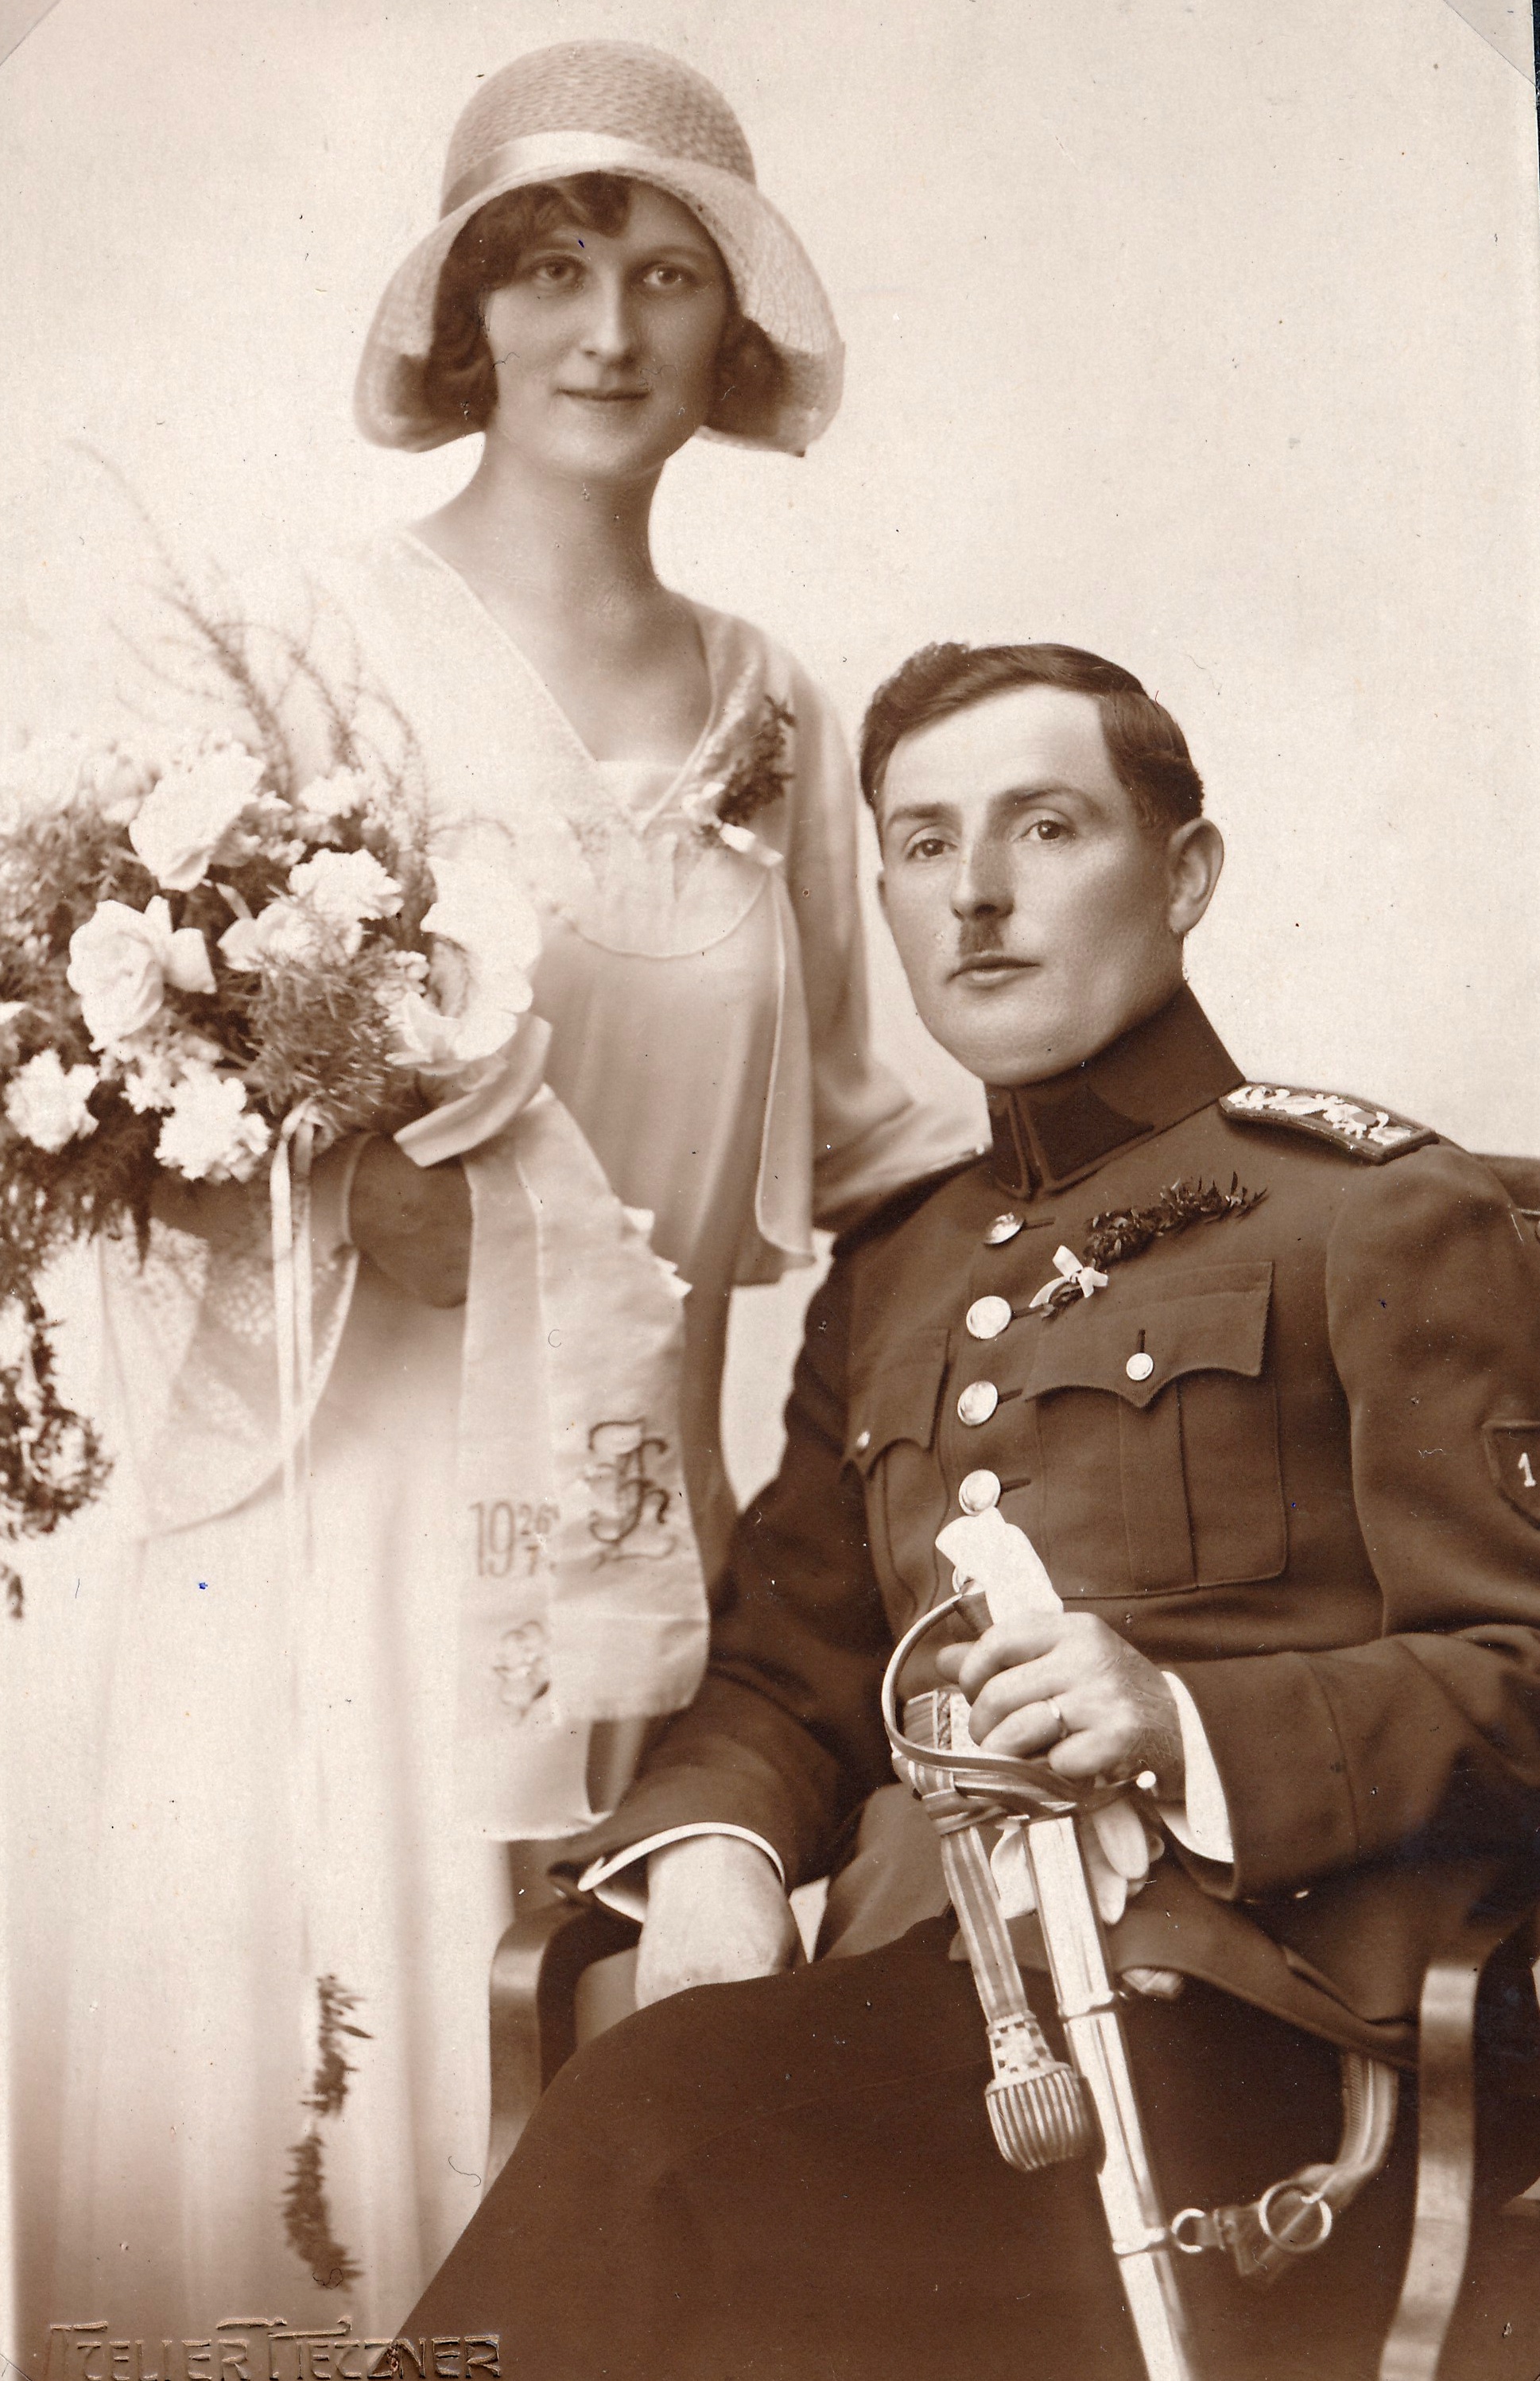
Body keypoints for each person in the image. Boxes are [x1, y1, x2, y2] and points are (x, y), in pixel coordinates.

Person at [4, 42, 965, 2350]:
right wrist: (344, 1207)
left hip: (638, 1544)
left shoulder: (774, 709)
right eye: (548, 269)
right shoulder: (299, 652)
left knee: (602, 2141)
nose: (607, 333)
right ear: (466, 315)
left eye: (665, 275)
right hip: (339, 1547)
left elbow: (883, 1144)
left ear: (733, 324)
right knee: (330, 2115)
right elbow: (104, 1109)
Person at [401, 642, 1540, 2379]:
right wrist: (714, 1854)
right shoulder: (895, 1271)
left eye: (1046, 827)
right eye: (923, 844)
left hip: (1268, 2043)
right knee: (684, 2135)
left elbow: (1520, 1671)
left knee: (663, 2136)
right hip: (952, 2014)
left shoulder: (1375, 1216)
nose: (976, 894)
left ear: (1185, 875)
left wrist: (1183, 1721)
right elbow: (785, 1674)